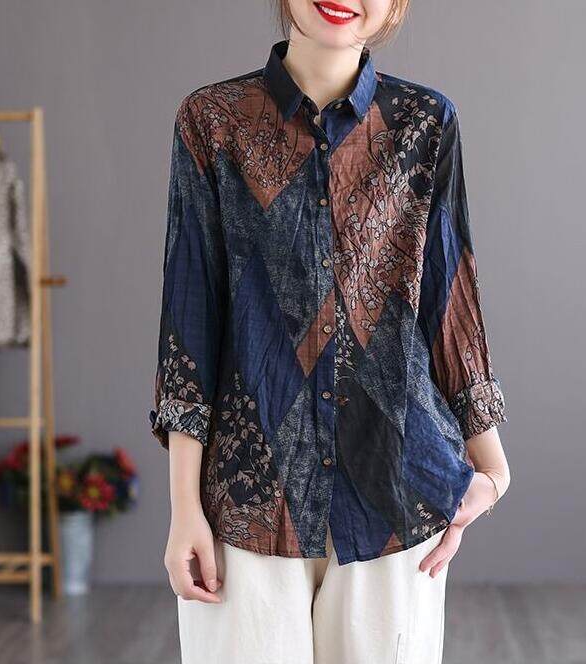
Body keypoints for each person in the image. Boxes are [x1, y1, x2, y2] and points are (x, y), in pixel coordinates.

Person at [149, 1, 511, 662]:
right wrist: (183, 509)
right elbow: (189, 319)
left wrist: (491, 470)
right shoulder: (213, 120)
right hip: (249, 496)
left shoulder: (424, 122)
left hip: (396, 488)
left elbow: (449, 299)